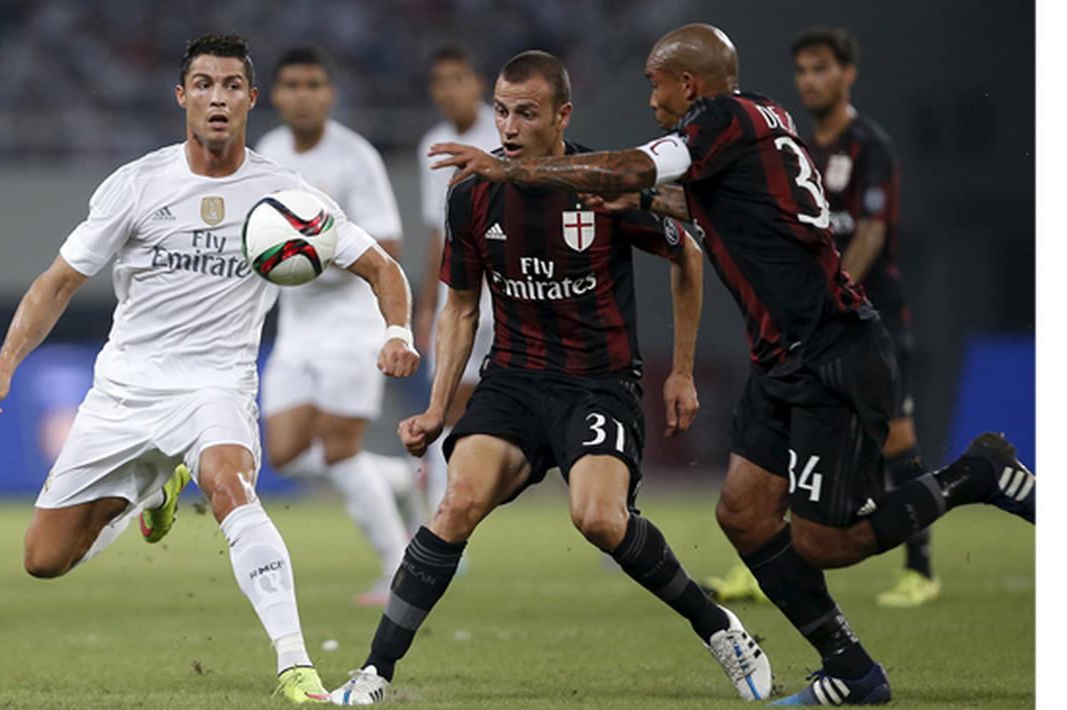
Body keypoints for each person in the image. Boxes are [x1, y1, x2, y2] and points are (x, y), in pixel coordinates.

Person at [428, 23, 1035, 706]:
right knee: (743, 515)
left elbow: (632, 167)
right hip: (781, 360)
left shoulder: (717, 117)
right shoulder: (758, 120)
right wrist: (638, 199)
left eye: (656, 85)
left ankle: (975, 474)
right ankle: (850, 668)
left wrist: (520, 171)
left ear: (687, 84)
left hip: (832, 350)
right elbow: (711, 203)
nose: (651, 100)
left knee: (826, 541)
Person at [0, 33, 420, 704]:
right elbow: (57, 282)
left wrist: (398, 330)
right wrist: (4, 365)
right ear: (182, 96)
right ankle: (154, 490)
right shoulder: (138, 184)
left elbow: (380, 265)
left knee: (231, 484)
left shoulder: (284, 197)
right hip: (127, 386)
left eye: (231, 85)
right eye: (203, 84)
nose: (217, 97)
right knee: (44, 561)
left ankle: (296, 668)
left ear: (250, 99)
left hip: (217, 383)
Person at [330, 50, 771, 706]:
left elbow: (688, 257)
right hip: (512, 382)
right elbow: (459, 305)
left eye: (526, 113)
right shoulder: (473, 196)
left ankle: (719, 628)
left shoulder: (603, 186)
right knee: (455, 506)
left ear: (561, 116)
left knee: (596, 518)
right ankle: (374, 674)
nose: (507, 127)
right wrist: (436, 407)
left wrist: (679, 371)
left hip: (598, 383)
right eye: (502, 112)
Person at [705, 26, 937, 610]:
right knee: (776, 447)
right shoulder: (797, 147)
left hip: (862, 322)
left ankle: (922, 569)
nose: (811, 80)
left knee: (898, 444)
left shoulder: (868, 146)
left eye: (822, 68)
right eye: (803, 70)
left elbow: (875, 231)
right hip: (807, 333)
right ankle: (759, 564)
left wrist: (829, 298)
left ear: (847, 73)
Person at [255, 45, 425, 607]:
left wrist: (314, 253)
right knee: (283, 453)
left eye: (314, 85)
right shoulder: (269, 152)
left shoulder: (356, 157)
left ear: (330, 93)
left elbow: (389, 248)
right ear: (274, 95)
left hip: (353, 320)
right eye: (292, 85)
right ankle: (398, 480)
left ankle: (399, 568)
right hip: (298, 325)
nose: (303, 95)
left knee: (338, 450)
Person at [413, 45, 499, 513]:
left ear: (477, 82)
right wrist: (427, 305)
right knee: (443, 411)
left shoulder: (504, 132)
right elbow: (437, 235)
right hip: (458, 298)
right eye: (440, 81)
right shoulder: (432, 142)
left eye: (458, 78)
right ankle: (443, 521)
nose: (450, 90)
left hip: (508, 296)